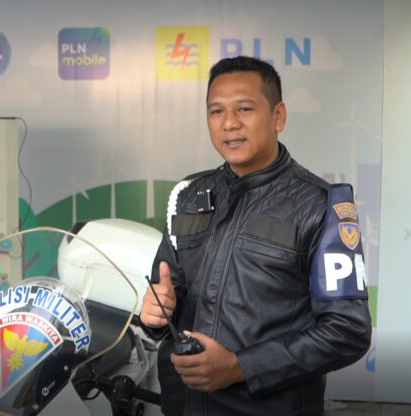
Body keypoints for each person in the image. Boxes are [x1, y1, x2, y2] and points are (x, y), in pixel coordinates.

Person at [139, 56, 372, 415]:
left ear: (278, 116)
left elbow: (347, 331)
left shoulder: (319, 205)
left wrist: (239, 367)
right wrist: (156, 315)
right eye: (216, 111)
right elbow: (169, 291)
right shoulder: (189, 195)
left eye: (244, 108)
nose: (229, 123)